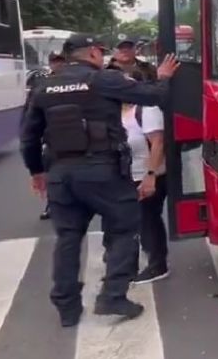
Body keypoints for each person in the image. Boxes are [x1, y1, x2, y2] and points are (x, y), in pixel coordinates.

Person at [21, 33, 178, 327]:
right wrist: (164, 77)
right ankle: (113, 297)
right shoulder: (103, 80)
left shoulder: (44, 86)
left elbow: (29, 136)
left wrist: (36, 172)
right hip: (103, 172)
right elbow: (155, 97)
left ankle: (66, 307)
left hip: (61, 174)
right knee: (123, 229)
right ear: (93, 52)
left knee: (67, 238)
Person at [120, 69, 169, 284]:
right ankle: (129, 266)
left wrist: (150, 176)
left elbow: (158, 142)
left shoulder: (146, 109)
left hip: (148, 174)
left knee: (148, 219)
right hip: (127, 175)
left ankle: (158, 264)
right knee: (134, 221)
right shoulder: (118, 111)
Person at [26, 51, 65, 221]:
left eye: (60, 61)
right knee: (51, 172)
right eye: (54, 61)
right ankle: (52, 205)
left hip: (77, 134)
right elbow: (31, 114)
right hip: (51, 136)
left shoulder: (76, 80)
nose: (57, 64)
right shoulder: (41, 83)